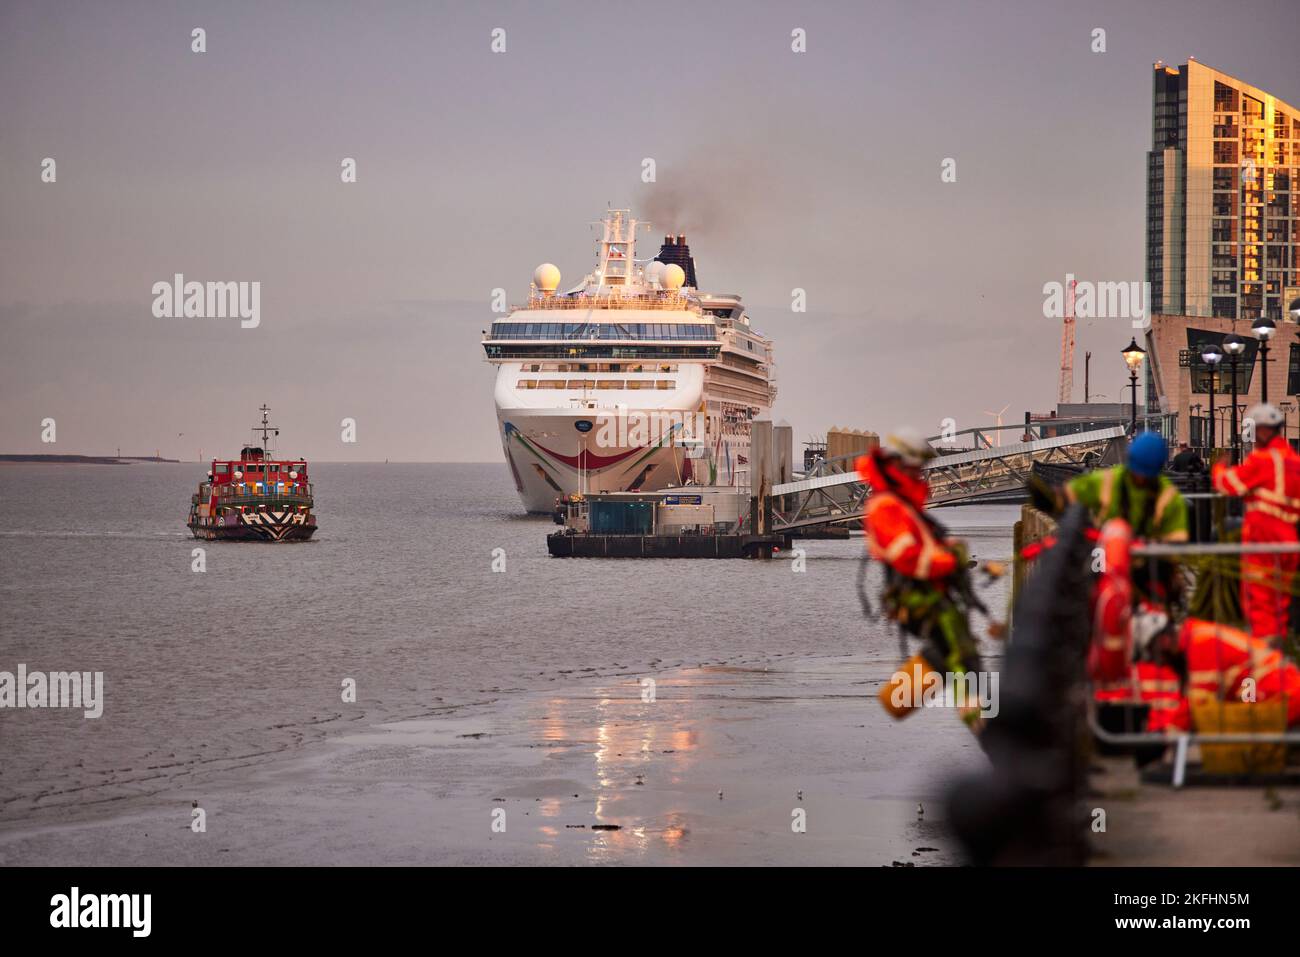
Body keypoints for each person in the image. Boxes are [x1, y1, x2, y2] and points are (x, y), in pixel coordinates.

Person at [857, 428, 983, 727]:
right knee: (962, 660)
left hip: (935, 597)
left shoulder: (903, 504)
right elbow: (909, 557)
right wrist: (950, 560)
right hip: (922, 599)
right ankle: (988, 727)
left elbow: (920, 547)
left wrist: (946, 548)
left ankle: (987, 721)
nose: (920, 475)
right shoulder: (886, 506)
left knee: (959, 660)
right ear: (900, 464)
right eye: (916, 468)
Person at [1211, 403, 1300, 645]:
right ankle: (1280, 654)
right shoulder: (1293, 460)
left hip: (1264, 539)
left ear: (1262, 431)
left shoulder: (1262, 460)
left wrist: (1218, 466)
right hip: (1289, 540)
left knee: (1260, 600)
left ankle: (1264, 657)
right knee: (1280, 601)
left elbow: (1228, 484)